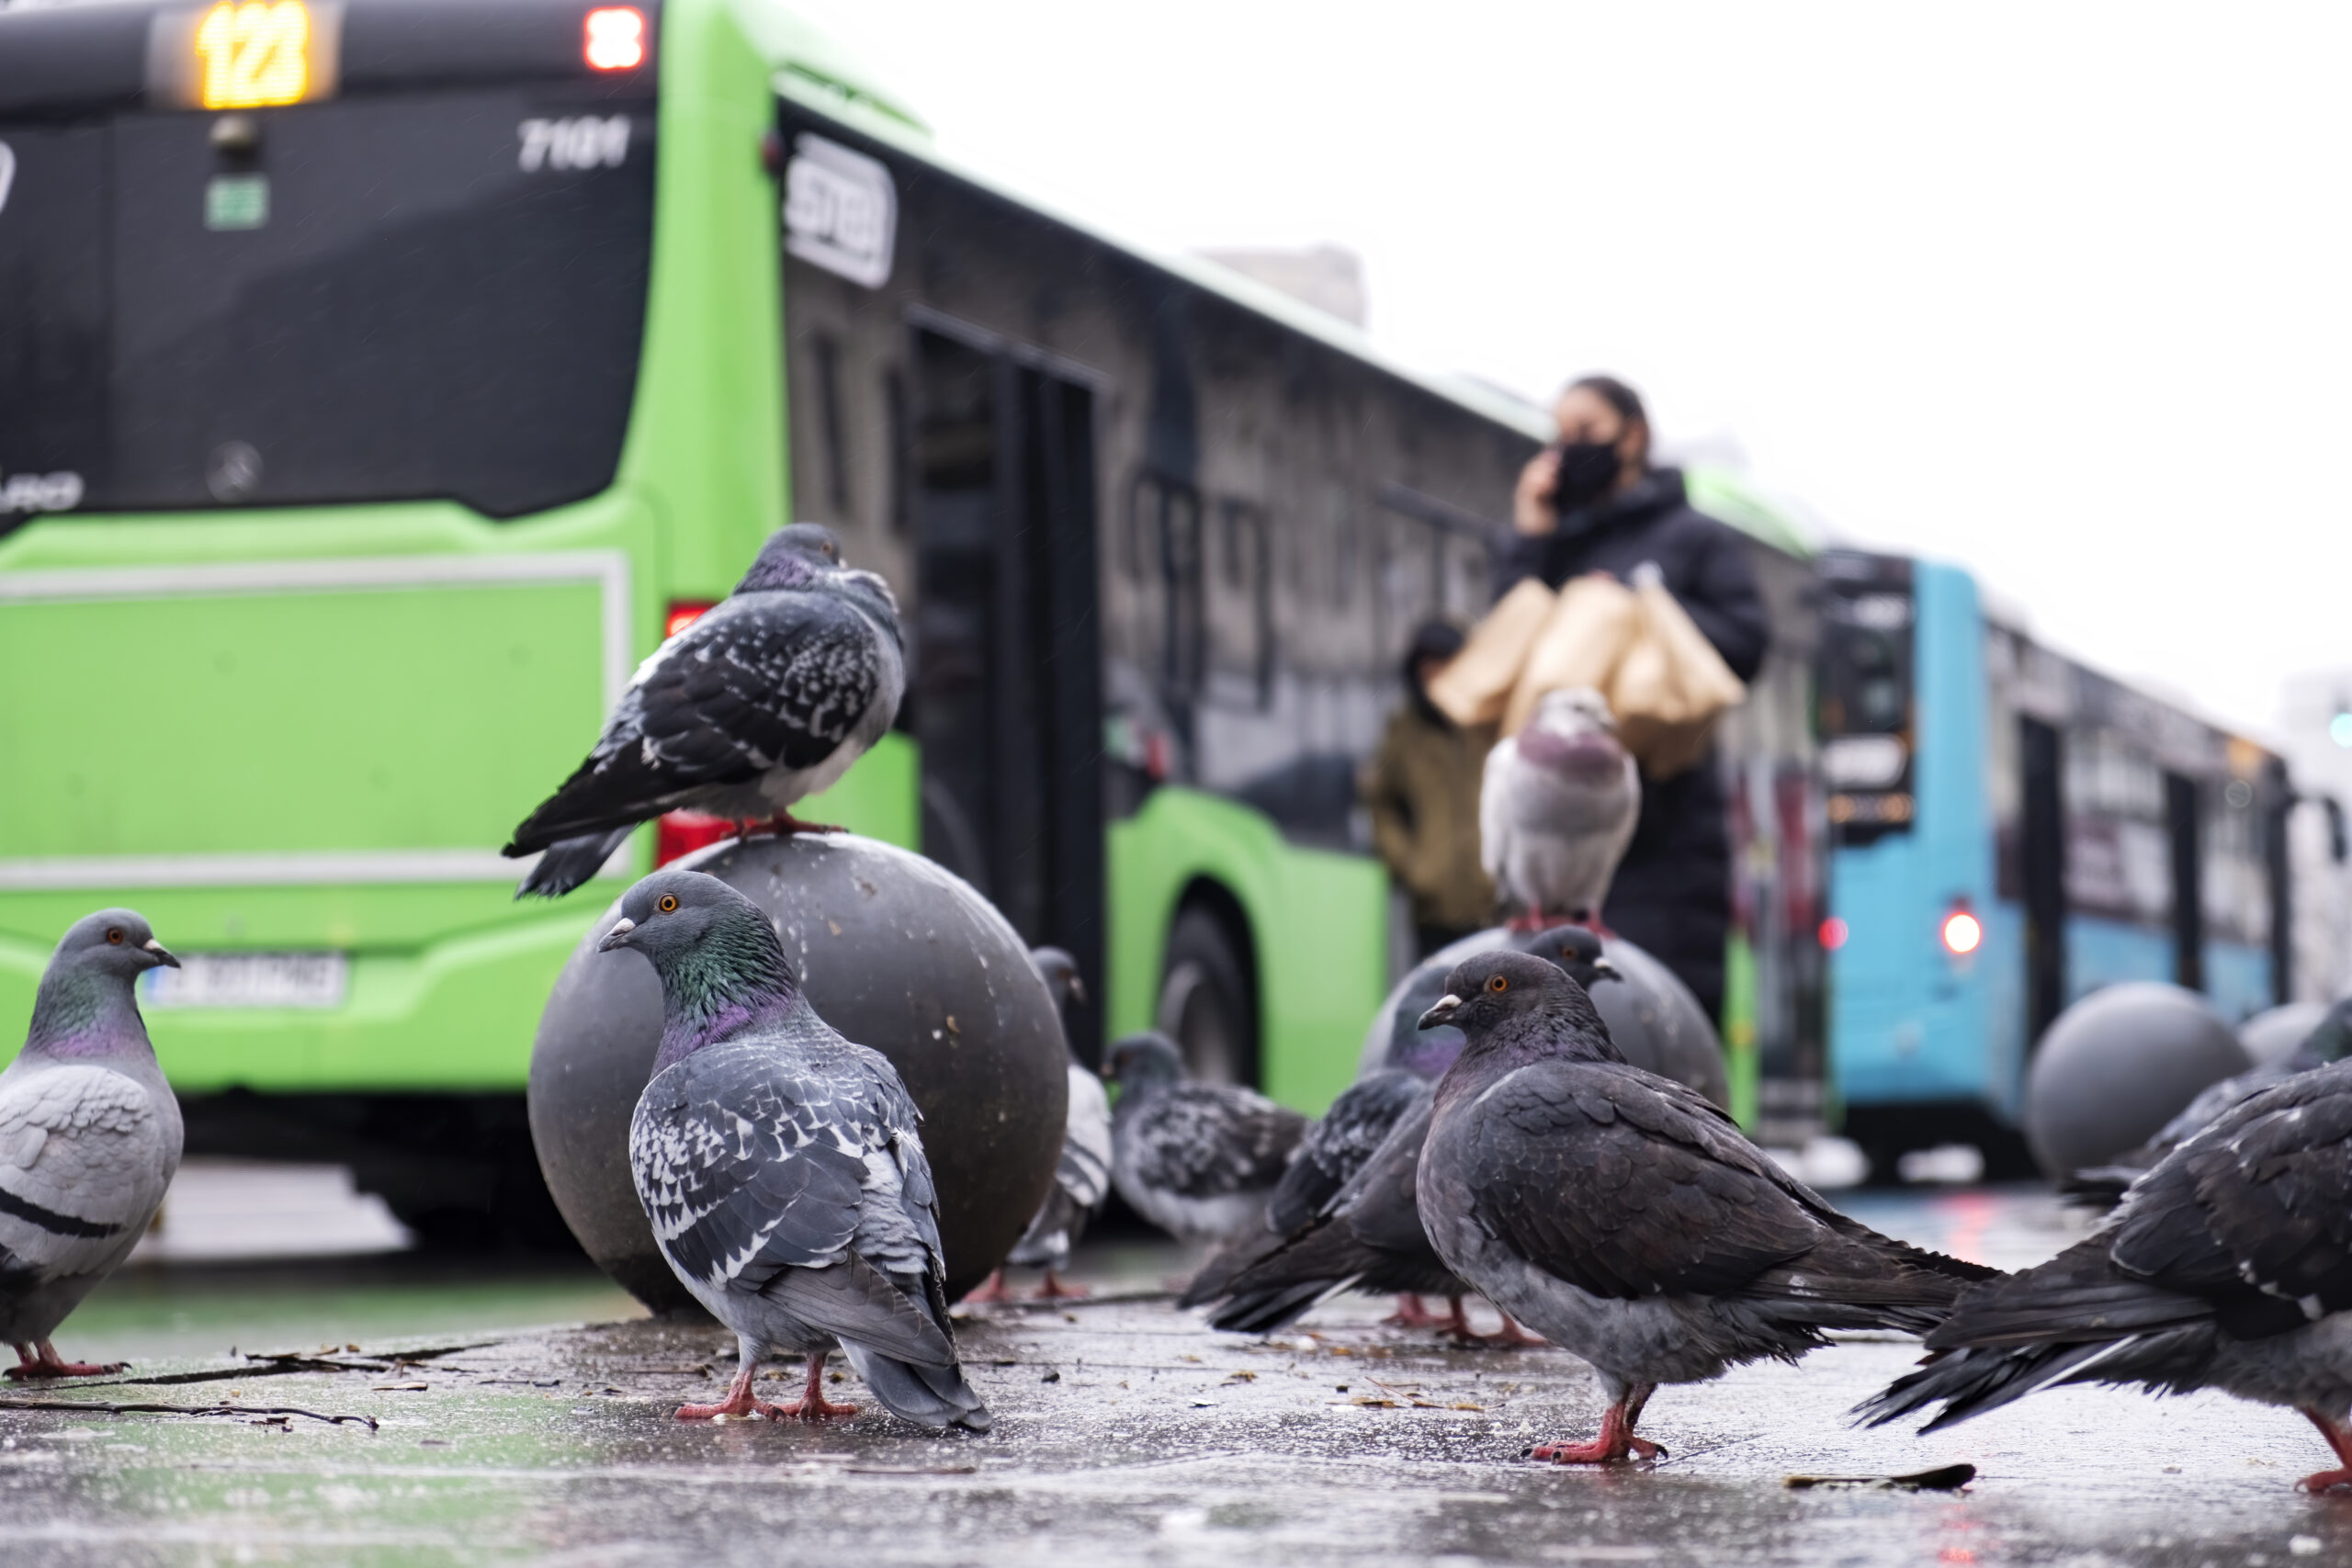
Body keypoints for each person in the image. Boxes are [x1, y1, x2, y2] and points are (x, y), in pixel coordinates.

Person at [1495, 374, 1769, 1024]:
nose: (1569, 449)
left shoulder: (1694, 538)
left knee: (1654, 1017)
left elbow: (1747, 645)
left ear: (1634, 435)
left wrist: (1637, 611)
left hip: (1666, 834)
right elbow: (1503, 650)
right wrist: (1531, 536)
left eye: (1586, 432)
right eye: (1559, 435)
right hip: (1554, 833)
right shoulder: (1559, 543)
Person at [1364, 620, 1496, 958]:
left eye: (1445, 664)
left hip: (1496, 905)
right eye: (1429, 666)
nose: (1436, 676)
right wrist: (1411, 866)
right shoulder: (1404, 731)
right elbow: (1381, 803)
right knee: (1440, 1003)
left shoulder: (1488, 723)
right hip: (1433, 911)